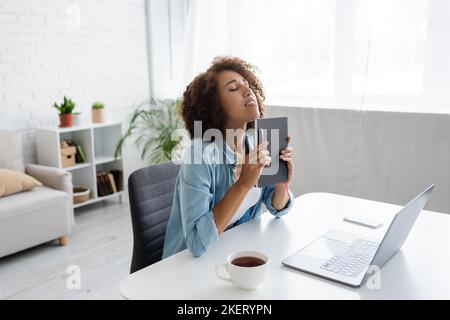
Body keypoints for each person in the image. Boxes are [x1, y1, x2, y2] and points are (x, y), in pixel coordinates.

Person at [162, 56, 295, 258]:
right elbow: (197, 243)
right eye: (233, 88)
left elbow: (277, 209)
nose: (247, 91)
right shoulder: (200, 155)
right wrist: (243, 184)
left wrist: (281, 183)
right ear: (214, 106)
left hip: (232, 256)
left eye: (248, 85)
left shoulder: (255, 143)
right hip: (186, 267)